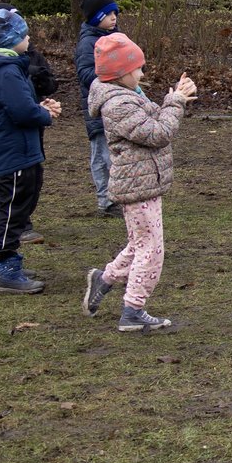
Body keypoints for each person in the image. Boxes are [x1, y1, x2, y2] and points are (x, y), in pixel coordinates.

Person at [82, 32, 195, 333]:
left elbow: (153, 119)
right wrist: (176, 103)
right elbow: (158, 133)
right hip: (137, 187)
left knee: (139, 244)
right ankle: (133, 309)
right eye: (138, 69)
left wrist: (175, 98)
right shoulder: (118, 104)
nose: (142, 74)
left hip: (144, 183)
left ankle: (103, 280)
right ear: (121, 73)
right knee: (151, 250)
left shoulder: (128, 96)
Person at [0, 7, 62, 294]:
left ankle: (2, 262)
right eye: (24, 32)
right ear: (11, 39)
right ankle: (6, 266)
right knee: (13, 207)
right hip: (14, 149)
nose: (29, 37)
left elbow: (20, 105)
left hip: (18, 147)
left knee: (11, 204)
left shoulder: (6, 67)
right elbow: (20, 111)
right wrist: (43, 115)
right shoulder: (5, 71)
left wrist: (39, 107)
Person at [75, 0, 122, 218]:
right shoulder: (88, 43)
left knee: (114, 153)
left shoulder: (115, 38)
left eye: (115, 13)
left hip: (116, 105)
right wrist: (109, 78)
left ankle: (118, 197)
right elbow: (84, 72)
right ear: (96, 17)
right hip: (97, 109)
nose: (114, 18)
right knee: (102, 155)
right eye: (108, 14)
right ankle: (107, 200)